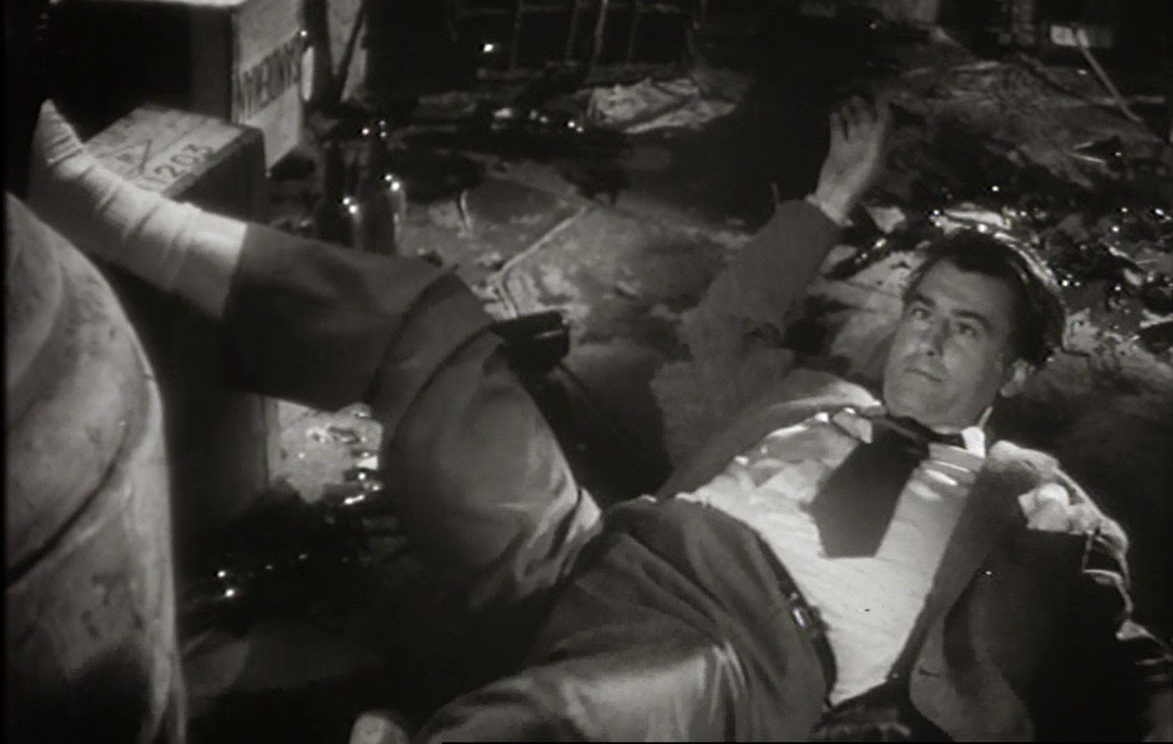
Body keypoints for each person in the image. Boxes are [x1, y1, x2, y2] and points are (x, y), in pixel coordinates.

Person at [23, 96, 1172, 742]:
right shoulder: (817, 398)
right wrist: (828, 201)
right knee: (430, 316)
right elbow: (726, 327)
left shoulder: (1036, 509)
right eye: (920, 309)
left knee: (582, 713)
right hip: (596, 551)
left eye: (964, 328)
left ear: (1016, 366)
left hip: (743, 661)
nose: (923, 338)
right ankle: (107, 216)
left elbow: (1134, 674)